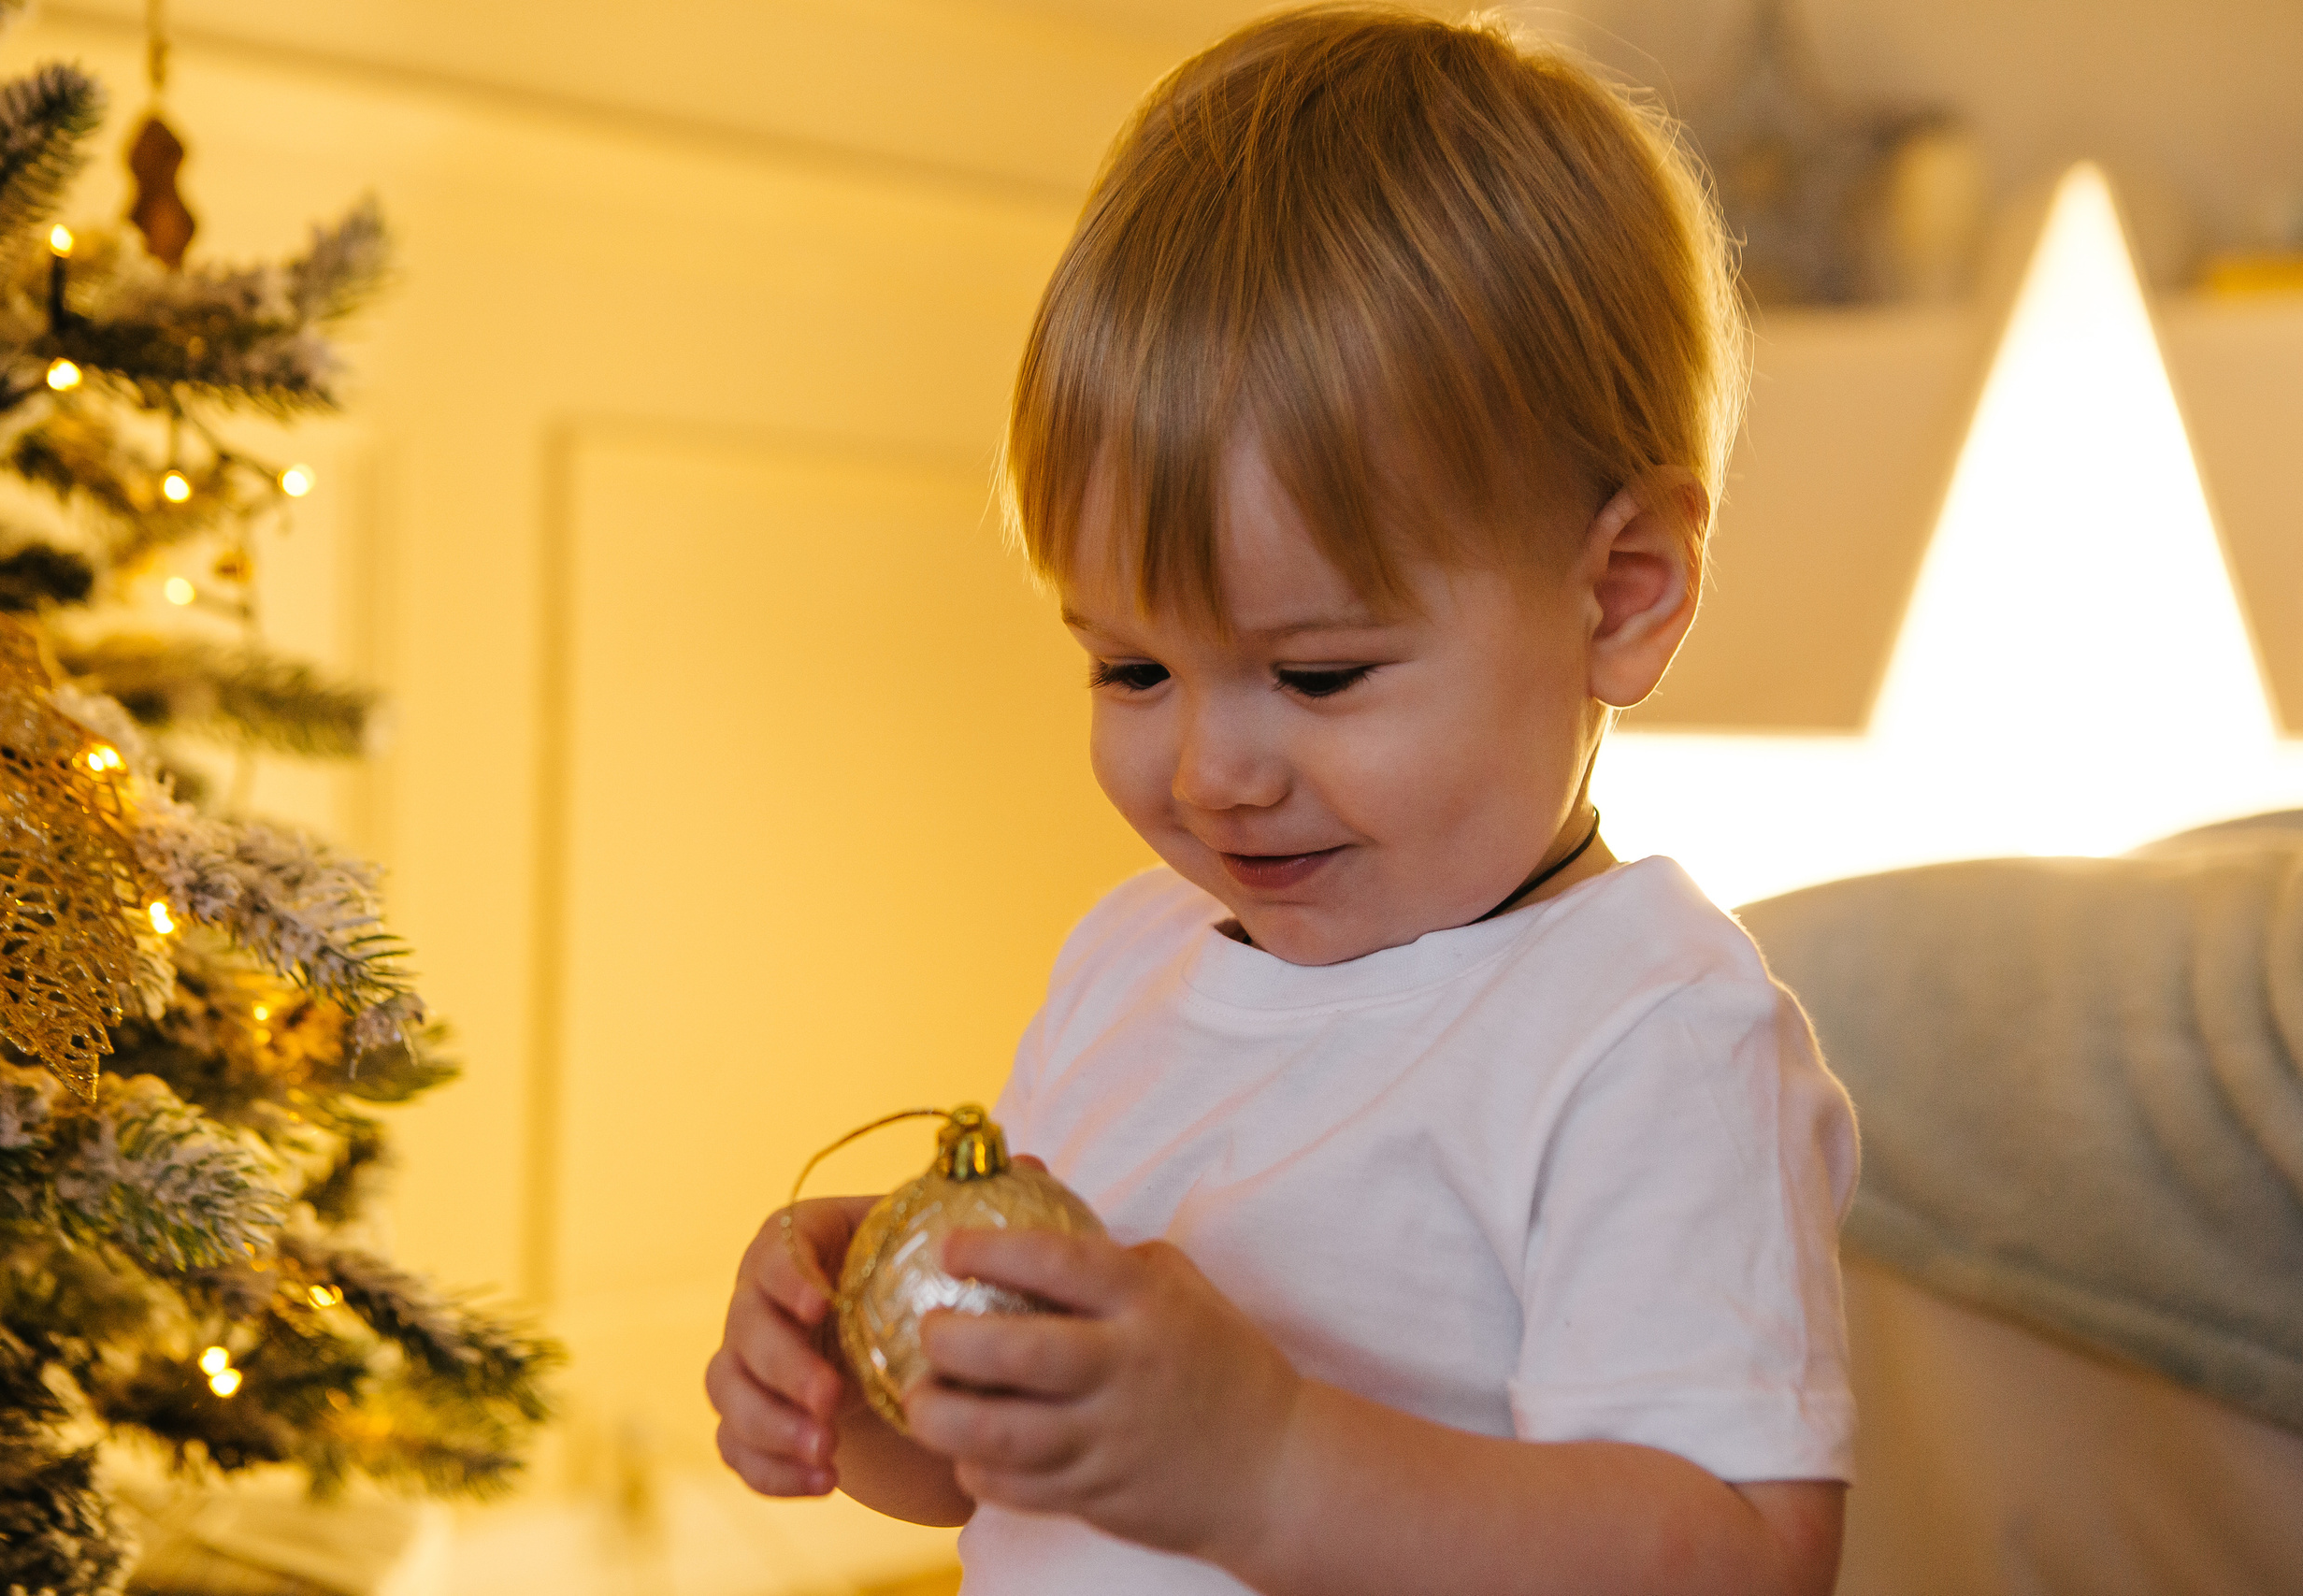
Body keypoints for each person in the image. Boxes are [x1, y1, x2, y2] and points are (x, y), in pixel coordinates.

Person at [706, 7, 1858, 1592]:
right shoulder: (1125, 969)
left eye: (1316, 678)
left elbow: (1741, 1563)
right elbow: (1028, 1494)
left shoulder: (1647, 1036)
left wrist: (1269, 1461)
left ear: (1623, 596)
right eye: (1130, 672)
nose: (1209, 775)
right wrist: (878, 1385)